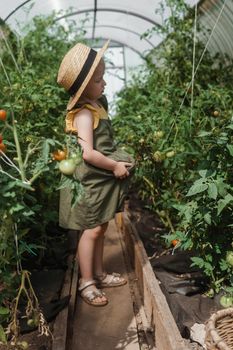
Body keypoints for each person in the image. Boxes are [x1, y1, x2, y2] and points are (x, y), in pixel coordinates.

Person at [57, 40, 134, 307]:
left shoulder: (96, 107)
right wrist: (114, 165)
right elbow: (88, 153)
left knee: (100, 227)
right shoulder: (84, 115)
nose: (104, 84)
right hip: (89, 181)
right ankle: (86, 282)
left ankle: (99, 273)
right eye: (99, 79)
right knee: (91, 230)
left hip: (96, 179)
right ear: (84, 86)